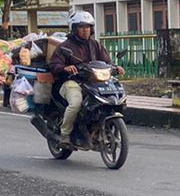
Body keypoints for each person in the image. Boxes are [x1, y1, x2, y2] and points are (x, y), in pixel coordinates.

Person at [47, 10, 123, 148]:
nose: (85, 30)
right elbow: (54, 64)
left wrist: (115, 68)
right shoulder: (65, 46)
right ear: (74, 28)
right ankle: (65, 135)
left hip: (93, 82)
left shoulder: (96, 45)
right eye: (81, 27)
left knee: (115, 96)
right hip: (72, 82)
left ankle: (100, 125)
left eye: (88, 27)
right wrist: (65, 68)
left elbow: (107, 62)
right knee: (76, 103)